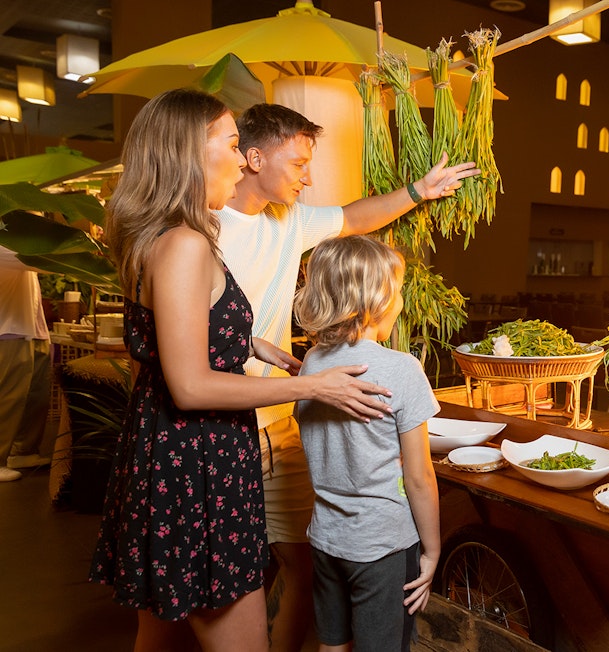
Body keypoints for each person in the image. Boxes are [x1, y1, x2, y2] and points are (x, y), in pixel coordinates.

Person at [88, 89, 375, 652]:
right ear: (191, 153)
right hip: (199, 465)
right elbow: (190, 386)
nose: (244, 156)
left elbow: (179, 329)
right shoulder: (187, 244)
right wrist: (315, 385)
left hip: (166, 456)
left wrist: (254, 344)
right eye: (232, 142)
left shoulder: (163, 237)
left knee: (161, 633)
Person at [216, 102, 476, 651]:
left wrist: (419, 190)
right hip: (219, 424)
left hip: (282, 419)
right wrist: (432, 547)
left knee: (303, 563)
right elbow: (418, 476)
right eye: (298, 164)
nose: (307, 177)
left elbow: (355, 218)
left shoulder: (290, 222)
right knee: (218, 576)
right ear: (253, 157)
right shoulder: (203, 230)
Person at [293, 235, 440, 652]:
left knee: (332, 644)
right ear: (377, 299)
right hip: (382, 546)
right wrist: (432, 550)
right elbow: (419, 477)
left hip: (325, 538)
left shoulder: (313, 363)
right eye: (397, 291)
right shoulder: (402, 370)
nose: (399, 302)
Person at [0, 248, 52, 481]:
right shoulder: (9, 238)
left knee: (36, 394)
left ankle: (23, 450)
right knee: (9, 397)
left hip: (32, 326)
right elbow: (39, 259)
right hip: (9, 327)